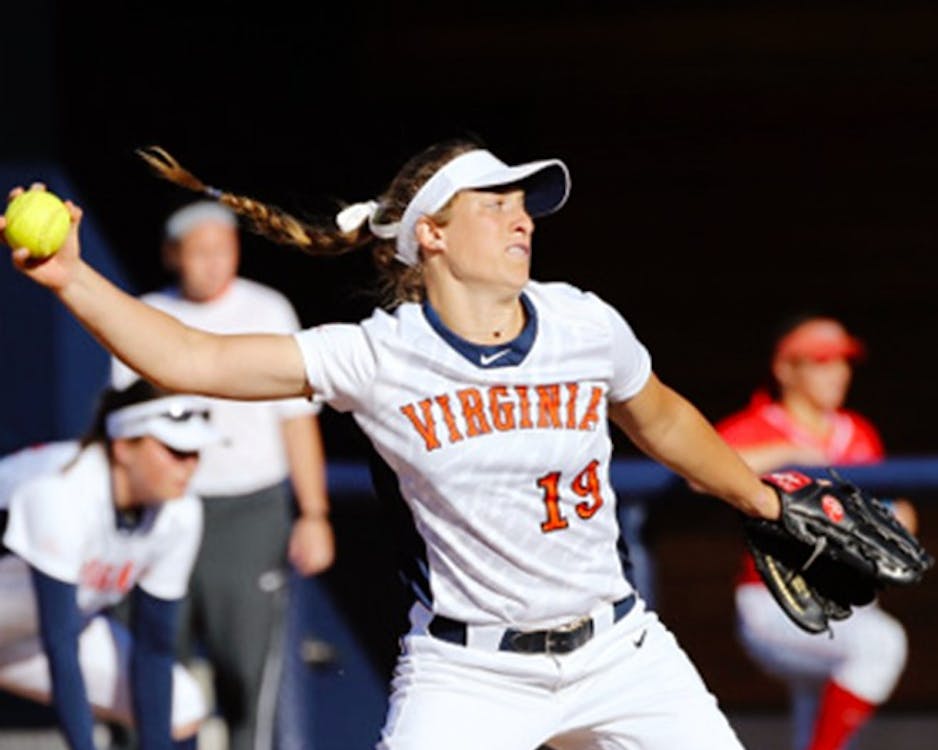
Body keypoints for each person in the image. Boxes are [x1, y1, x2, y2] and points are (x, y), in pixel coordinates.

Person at [5, 139, 792, 750]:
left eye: (524, 204)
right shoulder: (379, 355)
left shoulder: (584, 322)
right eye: (496, 202)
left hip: (619, 646)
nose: (523, 218)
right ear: (433, 234)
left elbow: (660, 418)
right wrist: (73, 278)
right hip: (472, 669)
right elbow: (192, 358)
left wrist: (764, 502)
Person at [108, 200, 336, 750]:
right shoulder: (142, 315)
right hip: (165, 516)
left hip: (250, 515)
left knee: (246, 674)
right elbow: (122, 434)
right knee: (154, 668)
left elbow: (297, 421)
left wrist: (314, 514)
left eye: (224, 248)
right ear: (172, 255)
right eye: (200, 251)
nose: (213, 262)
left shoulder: (269, 309)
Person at [715, 314, 917, 750]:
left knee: (823, 714)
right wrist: (790, 454)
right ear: (786, 368)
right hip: (775, 601)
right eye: (821, 361)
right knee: (880, 646)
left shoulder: (858, 432)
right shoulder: (758, 425)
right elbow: (699, 472)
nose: (837, 373)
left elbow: (901, 513)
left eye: (842, 362)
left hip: (847, 600)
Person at [0, 378, 220, 750]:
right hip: (50, 635)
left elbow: (155, 647)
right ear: (123, 447)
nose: (189, 466)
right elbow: (61, 641)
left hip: (27, 640)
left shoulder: (180, 513)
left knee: (182, 704)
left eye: (196, 452)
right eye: (176, 450)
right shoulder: (63, 489)